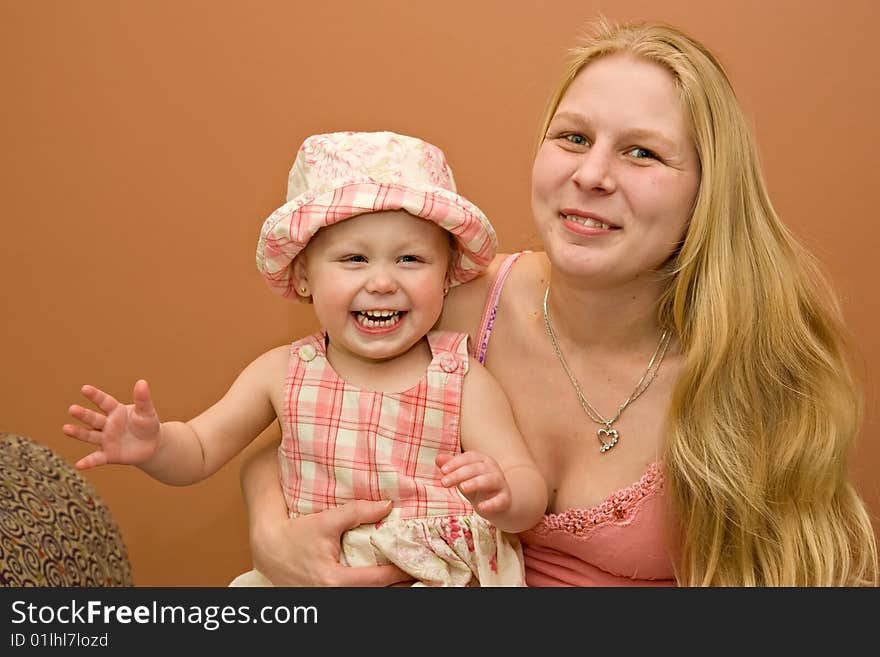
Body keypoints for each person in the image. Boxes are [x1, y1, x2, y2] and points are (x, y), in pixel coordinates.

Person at [239, 19, 879, 586]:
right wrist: (272, 532)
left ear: (707, 193)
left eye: (641, 152)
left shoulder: (752, 356)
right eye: (573, 138)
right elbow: (310, 420)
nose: (592, 174)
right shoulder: (452, 305)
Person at [63, 130, 548, 587]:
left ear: (446, 277)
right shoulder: (280, 372)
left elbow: (528, 486)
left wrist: (503, 496)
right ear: (303, 277)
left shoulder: (459, 377)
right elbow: (200, 449)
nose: (382, 282)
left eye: (410, 259)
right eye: (354, 259)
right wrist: (154, 447)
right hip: (310, 577)